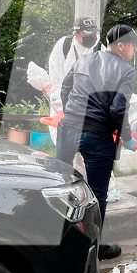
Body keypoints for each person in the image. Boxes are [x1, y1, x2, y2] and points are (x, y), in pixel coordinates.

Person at [59, 24, 137, 261]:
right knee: (97, 195)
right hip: (96, 136)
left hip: (67, 129)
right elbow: (119, 108)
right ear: (121, 46)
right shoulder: (126, 71)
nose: (136, 49)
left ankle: (60, 241)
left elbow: (66, 87)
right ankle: (93, 249)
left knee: (62, 187)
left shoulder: (85, 59)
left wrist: (73, 114)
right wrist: (127, 138)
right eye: (133, 44)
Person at [51, 17, 99, 175]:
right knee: (66, 160)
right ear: (76, 33)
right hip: (67, 112)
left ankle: (97, 190)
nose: (91, 38)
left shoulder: (99, 47)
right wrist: (65, 108)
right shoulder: (64, 47)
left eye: (93, 34)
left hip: (91, 113)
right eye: (87, 35)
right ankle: (70, 189)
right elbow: (58, 81)